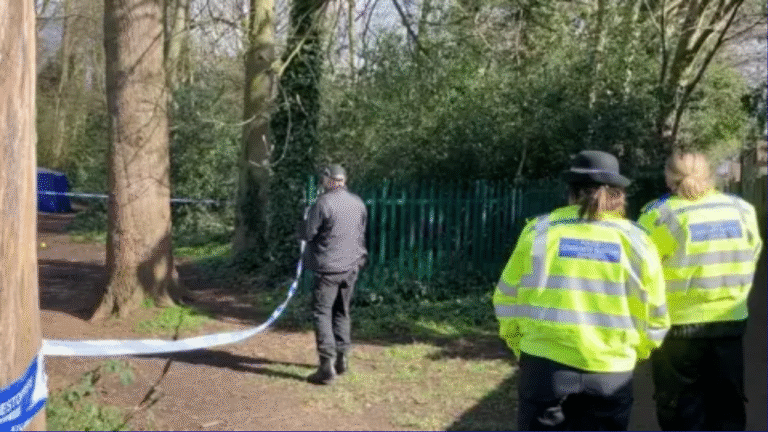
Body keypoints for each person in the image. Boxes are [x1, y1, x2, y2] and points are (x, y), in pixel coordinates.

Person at [493, 150, 670, 431]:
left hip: (544, 367)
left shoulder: (539, 232)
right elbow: (656, 314)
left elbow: (506, 298)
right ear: (618, 194)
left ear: (571, 191)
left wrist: (522, 346)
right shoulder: (638, 241)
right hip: (611, 371)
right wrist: (634, 353)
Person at [638, 152, 763, 431]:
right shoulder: (742, 210)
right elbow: (752, 253)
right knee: (727, 407)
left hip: (677, 327)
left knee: (681, 409)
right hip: (729, 322)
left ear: (669, 178)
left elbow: (644, 272)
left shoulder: (658, 215)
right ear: (710, 175)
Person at [300, 164, 368, 385]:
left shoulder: (323, 203)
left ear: (329, 180)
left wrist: (301, 223)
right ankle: (342, 359)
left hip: (328, 268)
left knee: (322, 313)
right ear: (344, 180)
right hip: (351, 267)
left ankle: (326, 366)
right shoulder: (358, 202)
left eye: (324, 179)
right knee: (342, 311)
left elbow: (308, 234)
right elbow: (362, 232)